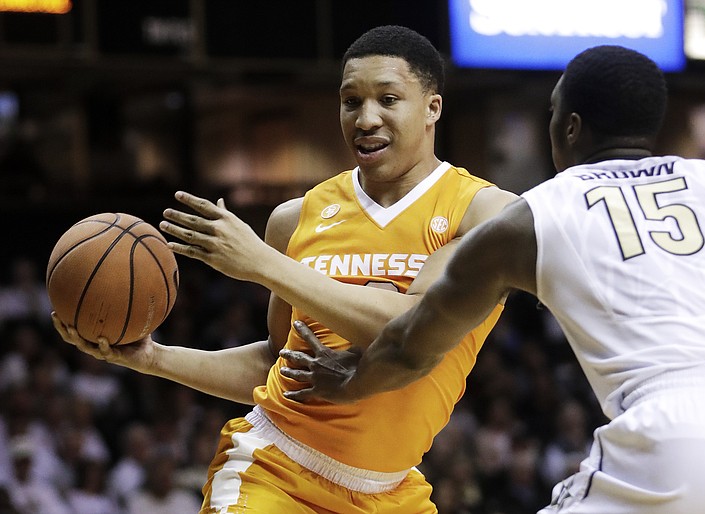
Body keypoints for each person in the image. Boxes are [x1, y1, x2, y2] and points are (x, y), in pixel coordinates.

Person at [280, 45, 705, 513]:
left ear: (569, 128)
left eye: (551, 113)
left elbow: (412, 348)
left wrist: (349, 386)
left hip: (671, 432)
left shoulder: (532, 216)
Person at [52, 25, 517, 513]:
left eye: (388, 99)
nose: (366, 118)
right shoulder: (296, 218)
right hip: (275, 471)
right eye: (351, 101)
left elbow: (410, 328)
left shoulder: (484, 213)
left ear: (432, 108)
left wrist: (263, 264)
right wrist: (151, 358)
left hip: (392, 491)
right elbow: (275, 362)